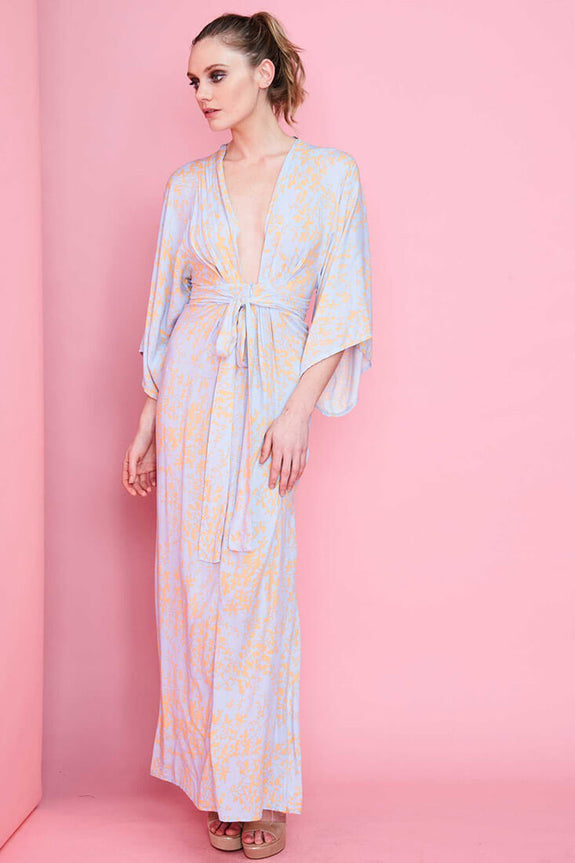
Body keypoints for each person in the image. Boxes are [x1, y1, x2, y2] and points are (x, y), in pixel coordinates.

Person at [122, 11, 373, 858]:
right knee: (193, 585)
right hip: (192, 395)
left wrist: (296, 411)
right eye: (193, 81)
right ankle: (217, 784)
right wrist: (149, 418)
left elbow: (342, 302)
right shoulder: (188, 186)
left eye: (216, 75)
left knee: (256, 587)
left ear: (264, 74)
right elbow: (166, 306)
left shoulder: (329, 176)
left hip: (271, 392)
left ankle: (258, 785)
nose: (200, 93)